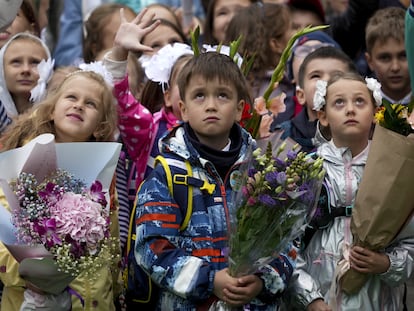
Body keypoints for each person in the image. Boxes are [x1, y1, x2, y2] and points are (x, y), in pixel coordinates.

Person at [134, 51, 296, 310]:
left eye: (223, 95)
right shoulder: (168, 173)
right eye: (200, 95)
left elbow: (288, 242)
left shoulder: (262, 171)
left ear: (240, 109)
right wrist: (211, 280)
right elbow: (152, 248)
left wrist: (262, 280)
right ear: (183, 110)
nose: (211, 105)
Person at [286, 71, 414, 310]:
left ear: (376, 113)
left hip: (377, 298)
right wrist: (309, 298)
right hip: (320, 296)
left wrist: (387, 263)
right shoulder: (305, 169)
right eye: (339, 103)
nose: (350, 109)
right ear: (323, 116)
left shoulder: (395, 170)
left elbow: (410, 239)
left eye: (359, 101)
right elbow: (286, 244)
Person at [0, 68, 122, 310]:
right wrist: (30, 275)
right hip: (29, 297)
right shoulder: (20, 162)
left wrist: (117, 289)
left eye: (90, 103)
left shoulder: (103, 174)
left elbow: (112, 240)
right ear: (52, 110)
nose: (78, 106)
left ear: (100, 125)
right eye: (71, 97)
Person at [224, 2, 295, 125]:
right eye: (292, 28)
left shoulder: (233, 83)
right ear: (275, 44)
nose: (296, 33)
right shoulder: (277, 90)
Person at [276, 46, 357, 152]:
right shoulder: (283, 136)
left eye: (337, 76)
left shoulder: (364, 133)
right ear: (301, 95)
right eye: (316, 76)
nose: (326, 81)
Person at [0, 32, 52, 134]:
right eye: (16, 62)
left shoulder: (56, 120)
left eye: (35, 62)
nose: (26, 70)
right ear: (1, 69)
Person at [365, 6, 411, 104]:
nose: (395, 67)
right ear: (370, 61)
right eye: (385, 58)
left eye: (404, 56)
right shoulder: (361, 107)